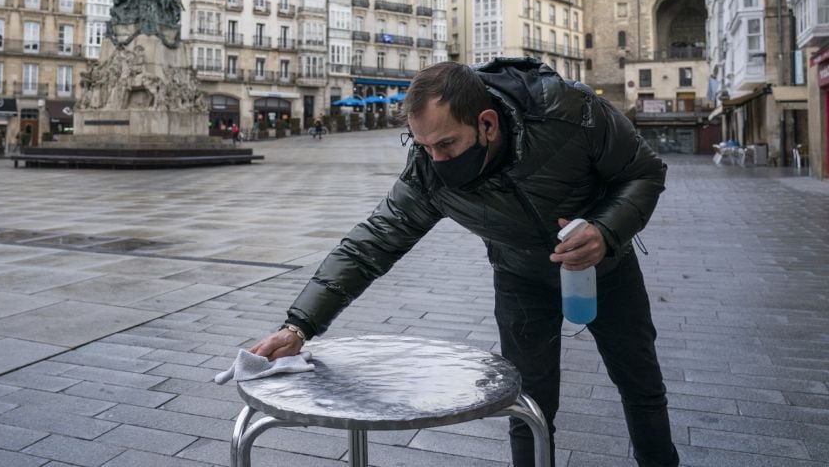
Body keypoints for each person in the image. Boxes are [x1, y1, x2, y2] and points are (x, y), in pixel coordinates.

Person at [250, 58, 678, 467]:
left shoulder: (569, 112)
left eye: (447, 144)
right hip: (520, 276)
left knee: (640, 383)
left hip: (606, 267)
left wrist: (605, 231)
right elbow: (371, 243)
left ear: (487, 123)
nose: (437, 159)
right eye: (424, 145)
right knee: (529, 401)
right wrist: (299, 326)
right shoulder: (429, 172)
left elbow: (644, 171)